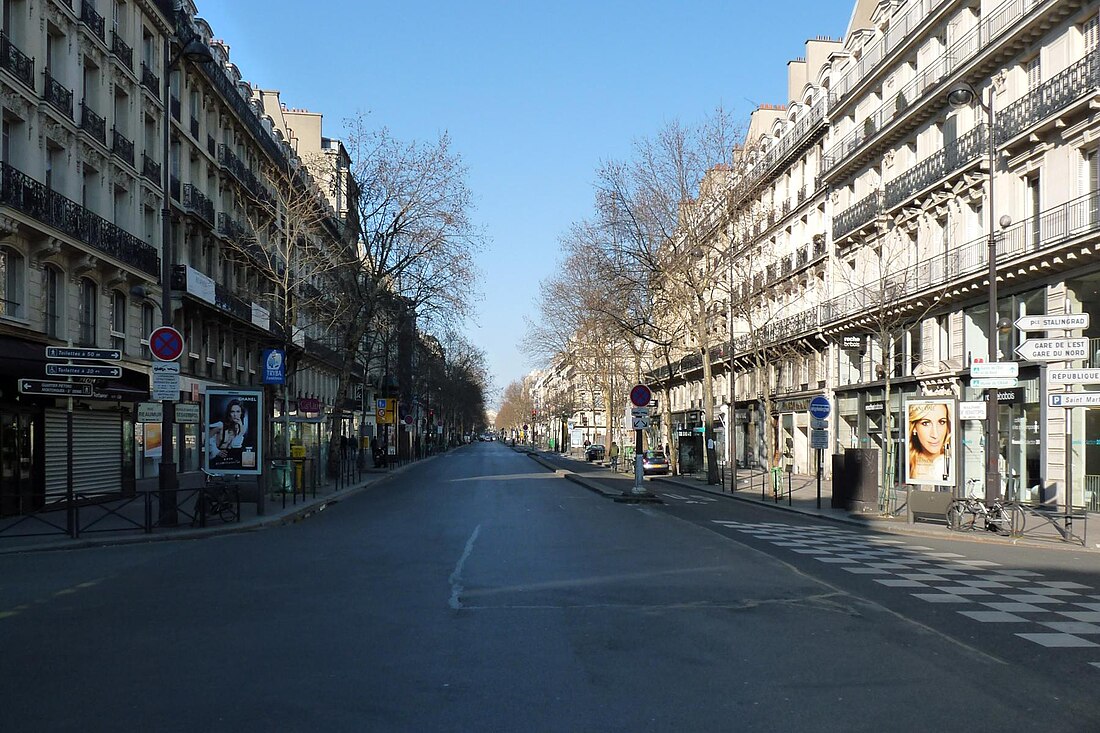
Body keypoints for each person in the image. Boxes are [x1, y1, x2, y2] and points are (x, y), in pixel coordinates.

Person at [908, 402, 951, 483]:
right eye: (926, 423)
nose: (935, 434)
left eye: (942, 422)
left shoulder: (952, 462)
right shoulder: (908, 463)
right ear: (914, 428)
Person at [207, 399, 248, 469]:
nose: (235, 415)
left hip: (230, 459)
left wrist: (240, 431)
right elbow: (206, 439)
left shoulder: (240, 427)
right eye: (232, 412)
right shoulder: (220, 425)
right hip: (216, 459)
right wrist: (216, 451)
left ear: (241, 413)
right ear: (229, 413)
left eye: (238, 412)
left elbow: (235, 446)